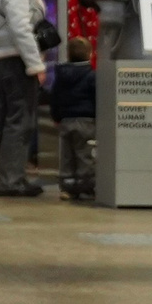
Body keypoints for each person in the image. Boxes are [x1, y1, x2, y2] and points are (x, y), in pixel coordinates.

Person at [0, 0, 52, 197]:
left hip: (9, 60)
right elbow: (20, 28)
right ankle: (11, 180)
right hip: (17, 61)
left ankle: (8, 176)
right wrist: (35, 64)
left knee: (9, 119)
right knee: (20, 121)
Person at [51, 37, 99, 200]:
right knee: (85, 154)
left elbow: (55, 97)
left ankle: (67, 187)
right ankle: (86, 186)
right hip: (86, 120)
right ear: (90, 54)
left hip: (66, 120)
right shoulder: (92, 76)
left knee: (66, 155)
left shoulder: (61, 76)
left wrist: (56, 116)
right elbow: (96, 98)